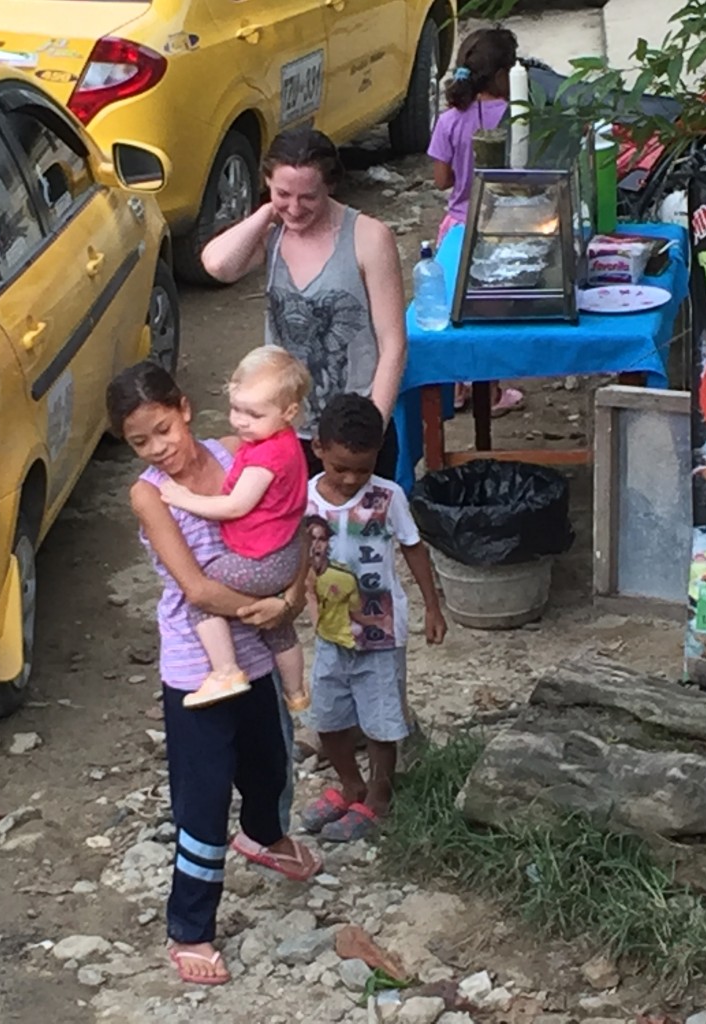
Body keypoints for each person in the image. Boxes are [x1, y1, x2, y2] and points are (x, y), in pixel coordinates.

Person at [106, 361, 321, 986]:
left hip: (257, 650)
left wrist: (296, 587)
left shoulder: (240, 453)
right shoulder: (149, 494)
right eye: (140, 442)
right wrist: (274, 607)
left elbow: (293, 524)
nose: (158, 450)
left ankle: (263, 837)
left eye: (163, 430)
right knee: (201, 803)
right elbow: (197, 589)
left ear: (185, 409)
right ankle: (190, 928)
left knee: (270, 763)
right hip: (198, 666)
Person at [201, 126, 407, 481]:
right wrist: (267, 213)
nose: (294, 209)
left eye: (308, 197)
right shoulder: (272, 235)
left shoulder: (369, 238)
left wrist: (373, 427)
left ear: (330, 185)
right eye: (284, 193)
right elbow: (219, 266)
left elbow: (394, 344)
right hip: (283, 428)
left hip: (350, 430)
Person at [300, 393, 447, 842]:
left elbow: (412, 547)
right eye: (340, 467)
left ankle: (379, 796)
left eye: (362, 468)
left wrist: (432, 606)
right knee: (327, 716)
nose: (350, 479)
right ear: (318, 448)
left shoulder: (389, 497)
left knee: (382, 720)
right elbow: (299, 554)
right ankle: (350, 784)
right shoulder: (304, 499)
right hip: (329, 631)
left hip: (381, 631)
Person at [158, 346, 310, 712]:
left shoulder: (264, 457)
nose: (240, 421)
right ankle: (296, 693)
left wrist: (181, 497)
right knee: (279, 630)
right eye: (236, 408)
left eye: (253, 414)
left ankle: (226, 670)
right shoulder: (283, 442)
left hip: (260, 558)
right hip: (286, 551)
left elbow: (234, 506)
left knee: (203, 594)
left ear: (289, 412)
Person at [427, 27, 525, 417]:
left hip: (456, 228)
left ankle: (456, 389)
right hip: (501, 227)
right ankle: (492, 391)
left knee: (458, 312)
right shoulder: (517, 116)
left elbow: (441, 180)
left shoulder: (450, 120)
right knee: (493, 317)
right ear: (503, 74)